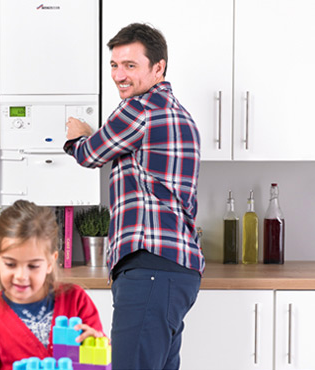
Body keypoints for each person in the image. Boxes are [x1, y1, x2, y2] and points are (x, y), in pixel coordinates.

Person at [63, 23, 202, 369]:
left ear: (159, 67)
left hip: (149, 269)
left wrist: (77, 136)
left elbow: (90, 154)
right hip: (177, 272)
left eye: (130, 65)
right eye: (114, 64)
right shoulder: (180, 115)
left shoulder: (139, 109)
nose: (119, 75)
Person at [0, 200, 105, 370]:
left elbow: (97, 359)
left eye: (33, 266)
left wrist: (97, 348)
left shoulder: (76, 300)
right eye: (10, 264)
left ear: (50, 262)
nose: (21, 276)